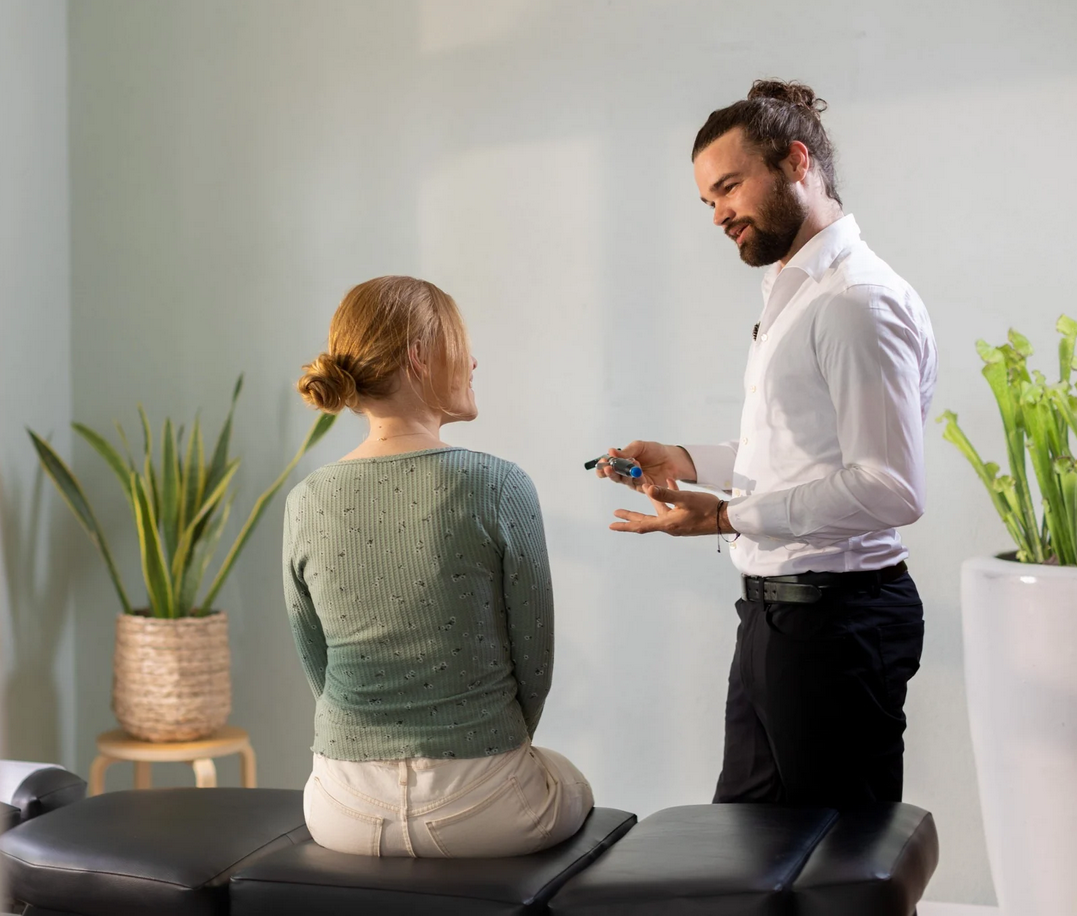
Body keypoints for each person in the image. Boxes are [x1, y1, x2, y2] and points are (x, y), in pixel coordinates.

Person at [597, 80, 938, 810]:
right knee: (747, 848)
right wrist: (685, 461)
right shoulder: (798, 293)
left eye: (728, 188)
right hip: (778, 616)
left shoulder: (855, 302)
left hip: (834, 623)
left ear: (794, 161)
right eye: (706, 202)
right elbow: (800, 448)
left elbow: (888, 488)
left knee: (840, 864)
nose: (718, 214)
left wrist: (722, 518)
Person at [285, 275, 593, 857]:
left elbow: (315, 663)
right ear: (419, 357)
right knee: (572, 780)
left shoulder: (307, 498)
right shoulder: (500, 484)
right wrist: (486, 752)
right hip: (485, 806)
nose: (473, 361)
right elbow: (535, 662)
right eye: (459, 343)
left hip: (340, 809)